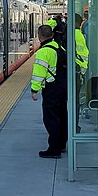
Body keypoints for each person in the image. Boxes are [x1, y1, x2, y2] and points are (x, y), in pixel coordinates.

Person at [30, 25, 67, 158]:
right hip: (62, 87)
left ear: (40, 37)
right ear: (51, 35)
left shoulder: (43, 52)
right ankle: (62, 144)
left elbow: (39, 73)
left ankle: (54, 149)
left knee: (51, 119)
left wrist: (35, 90)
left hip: (52, 89)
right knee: (62, 116)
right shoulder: (58, 47)